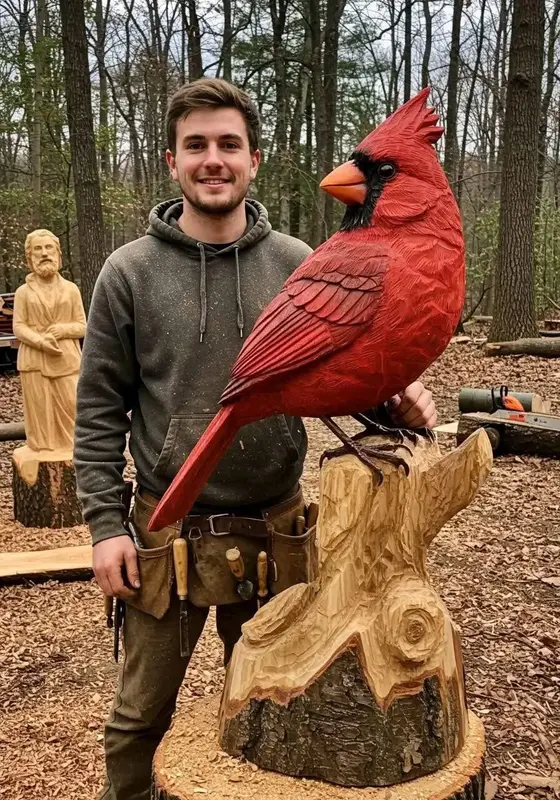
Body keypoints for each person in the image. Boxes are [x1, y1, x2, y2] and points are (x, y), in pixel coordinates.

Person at [74, 78, 437, 800]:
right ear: (172, 161)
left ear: (254, 160)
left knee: (282, 708)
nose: (214, 159)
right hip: (167, 533)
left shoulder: (298, 257)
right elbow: (97, 410)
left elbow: (337, 367)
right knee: (138, 718)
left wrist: (393, 403)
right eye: (197, 146)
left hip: (276, 531)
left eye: (228, 145)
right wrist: (104, 525)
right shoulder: (129, 272)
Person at [14, 228, 86, 454]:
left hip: (66, 359)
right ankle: (43, 449)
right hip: (34, 361)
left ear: (58, 253)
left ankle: (71, 449)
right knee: (40, 414)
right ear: (29, 257)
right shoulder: (23, 292)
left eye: (48, 248)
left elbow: (83, 326)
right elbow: (18, 326)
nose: (44, 253)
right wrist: (39, 340)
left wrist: (63, 329)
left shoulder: (71, 289)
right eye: (38, 249)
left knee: (71, 406)